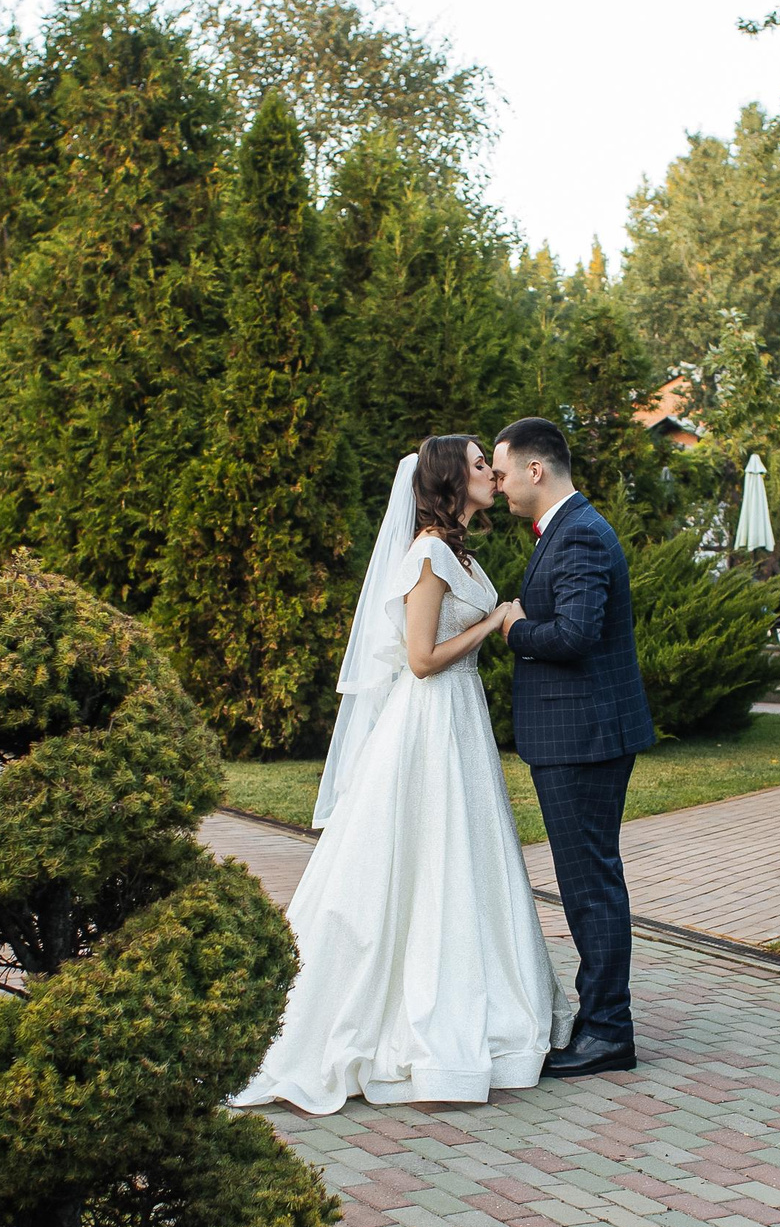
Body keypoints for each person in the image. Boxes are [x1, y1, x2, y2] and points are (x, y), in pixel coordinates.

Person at [231, 436, 573, 1113]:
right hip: (428, 722)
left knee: (462, 860)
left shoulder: (459, 553)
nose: (492, 472)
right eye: (480, 464)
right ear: (451, 480)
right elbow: (420, 659)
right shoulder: (427, 554)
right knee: (420, 857)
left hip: (459, 721)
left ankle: (485, 998)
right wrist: (496, 622)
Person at [490, 415, 655, 1077]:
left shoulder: (580, 533)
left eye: (502, 473)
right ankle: (601, 1018)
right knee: (591, 881)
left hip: (583, 738)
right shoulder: (569, 528)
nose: (498, 487)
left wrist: (513, 628)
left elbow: (577, 634)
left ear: (536, 469)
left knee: (591, 886)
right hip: (579, 734)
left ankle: (609, 1031)